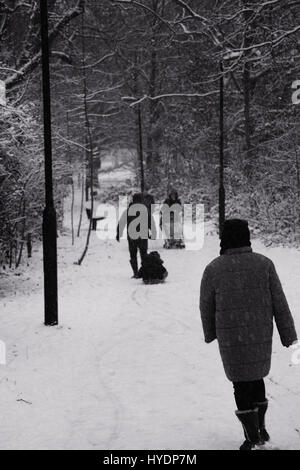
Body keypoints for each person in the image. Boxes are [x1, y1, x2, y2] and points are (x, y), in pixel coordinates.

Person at [199, 219, 297, 450]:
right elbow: (279, 301)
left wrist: (210, 332)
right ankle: (260, 428)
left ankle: (252, 436)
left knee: (240, 383)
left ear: (224, 238)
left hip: (231, 336)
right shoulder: (264, 264)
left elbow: (206, 304)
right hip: (259, 332)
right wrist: (287, 333)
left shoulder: (214, 268)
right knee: (256, 378)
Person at [116, 192, 156, 278]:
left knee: (133, 255)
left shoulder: (128, 210)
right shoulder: (145, 209)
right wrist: (153, 232)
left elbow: (122, 222)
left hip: (131, 236)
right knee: (143, 254)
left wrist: (118, 233)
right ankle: (145, 272)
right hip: (143, 235)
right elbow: (151, 222)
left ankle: (136, 273)